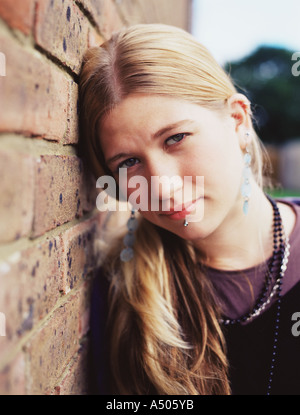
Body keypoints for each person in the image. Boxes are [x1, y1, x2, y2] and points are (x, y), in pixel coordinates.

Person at [79, 24, 300, 395]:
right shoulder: (120, 293)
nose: (162, 186)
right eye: (129, 161)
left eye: (176, 138)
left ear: (238, 121)